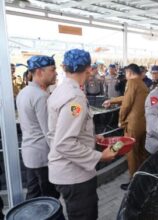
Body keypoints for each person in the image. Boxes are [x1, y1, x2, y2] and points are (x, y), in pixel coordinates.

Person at [47, 49, 118, 220]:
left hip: (66, 171)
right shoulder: (74, 99)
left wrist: (91, 138)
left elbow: (60, 131)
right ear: (88, 69)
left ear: (64, 68)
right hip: (74, 175)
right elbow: (64, 143)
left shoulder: (60, 90)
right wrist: (100, 156)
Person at [16, 55, 60, 200]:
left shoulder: (23, 92)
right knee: (48, 199)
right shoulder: (41, 96)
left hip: (30, 153)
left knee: (33, 195)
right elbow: (49, 132)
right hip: (42, 156)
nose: (56, 73)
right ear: (40, 72)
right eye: (52, 70)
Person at [118, 64, 149, 190]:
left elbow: (126, 103)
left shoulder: (131, 82)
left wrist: (121, 120)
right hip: (142, 123)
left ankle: (133, 182)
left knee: (131, 153)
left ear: (129, 73)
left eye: (126, 73)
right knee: (141, 152)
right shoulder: (142, 83)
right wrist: (112, 100)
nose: (125, 76)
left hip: (132, 124)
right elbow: (129, 98)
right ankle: (142, 177)